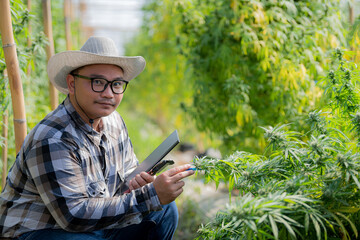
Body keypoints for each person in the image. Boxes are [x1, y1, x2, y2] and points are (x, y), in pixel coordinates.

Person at [0, 36, 195, 240]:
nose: (109, 93)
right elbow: (73, 216)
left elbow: (125, 178)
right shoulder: (53, 137)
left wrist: (138, 184)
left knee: (164, 211)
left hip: (93, 226)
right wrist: (149, 196)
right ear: (72, 83)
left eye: (117, 84)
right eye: (98, 82)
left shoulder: (114, 122)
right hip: (39, 231)